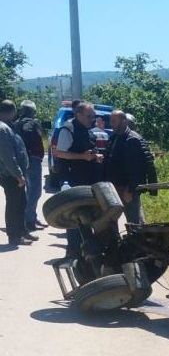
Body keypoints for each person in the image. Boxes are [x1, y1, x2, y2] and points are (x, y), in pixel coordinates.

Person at [53, 101, 101, 258]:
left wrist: (95, 157)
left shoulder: (87, 130)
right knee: (74, 217)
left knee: (87, 217)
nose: (92, 119)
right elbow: (59, 153)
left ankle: (85, 253)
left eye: (93, 116)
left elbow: (87, 151)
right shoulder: (68, 130)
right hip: (73, 180)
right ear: (78, 115)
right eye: (89, 116)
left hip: (87, 179)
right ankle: (73, 253)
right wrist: (83, 157)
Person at [103, 110, 156, 224]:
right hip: (113, 187)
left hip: (126, 188)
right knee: (110, 220)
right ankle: (116, 242)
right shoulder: (115, 138)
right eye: (111, 121)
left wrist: (131, 190)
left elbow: (136, 168)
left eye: (114, 121)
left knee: (134, 221)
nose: (111, 124)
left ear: (124, 122)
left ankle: (139, 241)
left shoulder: (132, 139)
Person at [0, 100, 37, 246]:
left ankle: (22, 231)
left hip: (15, 173)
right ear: (12, 111)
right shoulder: (2, 129)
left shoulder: (9, 126)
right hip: (10, 174)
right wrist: (17, 174)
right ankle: (14, 236)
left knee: (22, 202)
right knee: (14, 205)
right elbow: (7, 156)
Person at [13, 100, 47, 231]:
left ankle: (31, 216)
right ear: (32, 111)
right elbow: (27, 134)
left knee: (29, 191)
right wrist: (30, 150)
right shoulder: (30, 123)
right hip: (32, 159)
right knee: (35, 191)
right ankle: (29, 220)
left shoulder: (16, 123)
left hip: (23, 159)